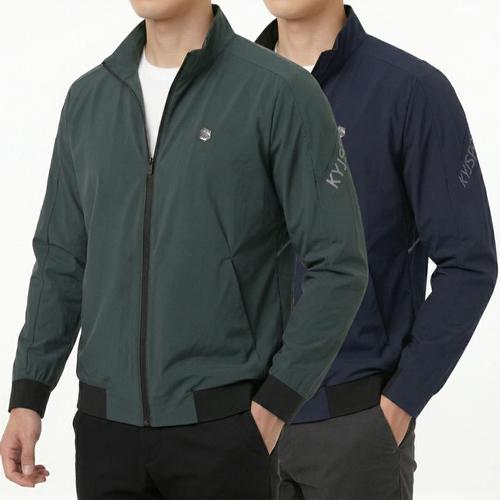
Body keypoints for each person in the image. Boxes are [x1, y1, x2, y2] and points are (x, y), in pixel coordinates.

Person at [0, 1, 368, 499]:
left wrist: (274, 406)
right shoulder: (90, 98)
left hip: (223, 428)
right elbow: (61, 258)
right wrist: (29, 395)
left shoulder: (278, 92)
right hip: (106, 431)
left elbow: (339, 265)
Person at [256, 1, 497, 499]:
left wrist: (399, 404)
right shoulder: (226, 92)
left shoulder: (410, 90)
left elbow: (468, 261)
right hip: (232, 430)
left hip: (352, 430)